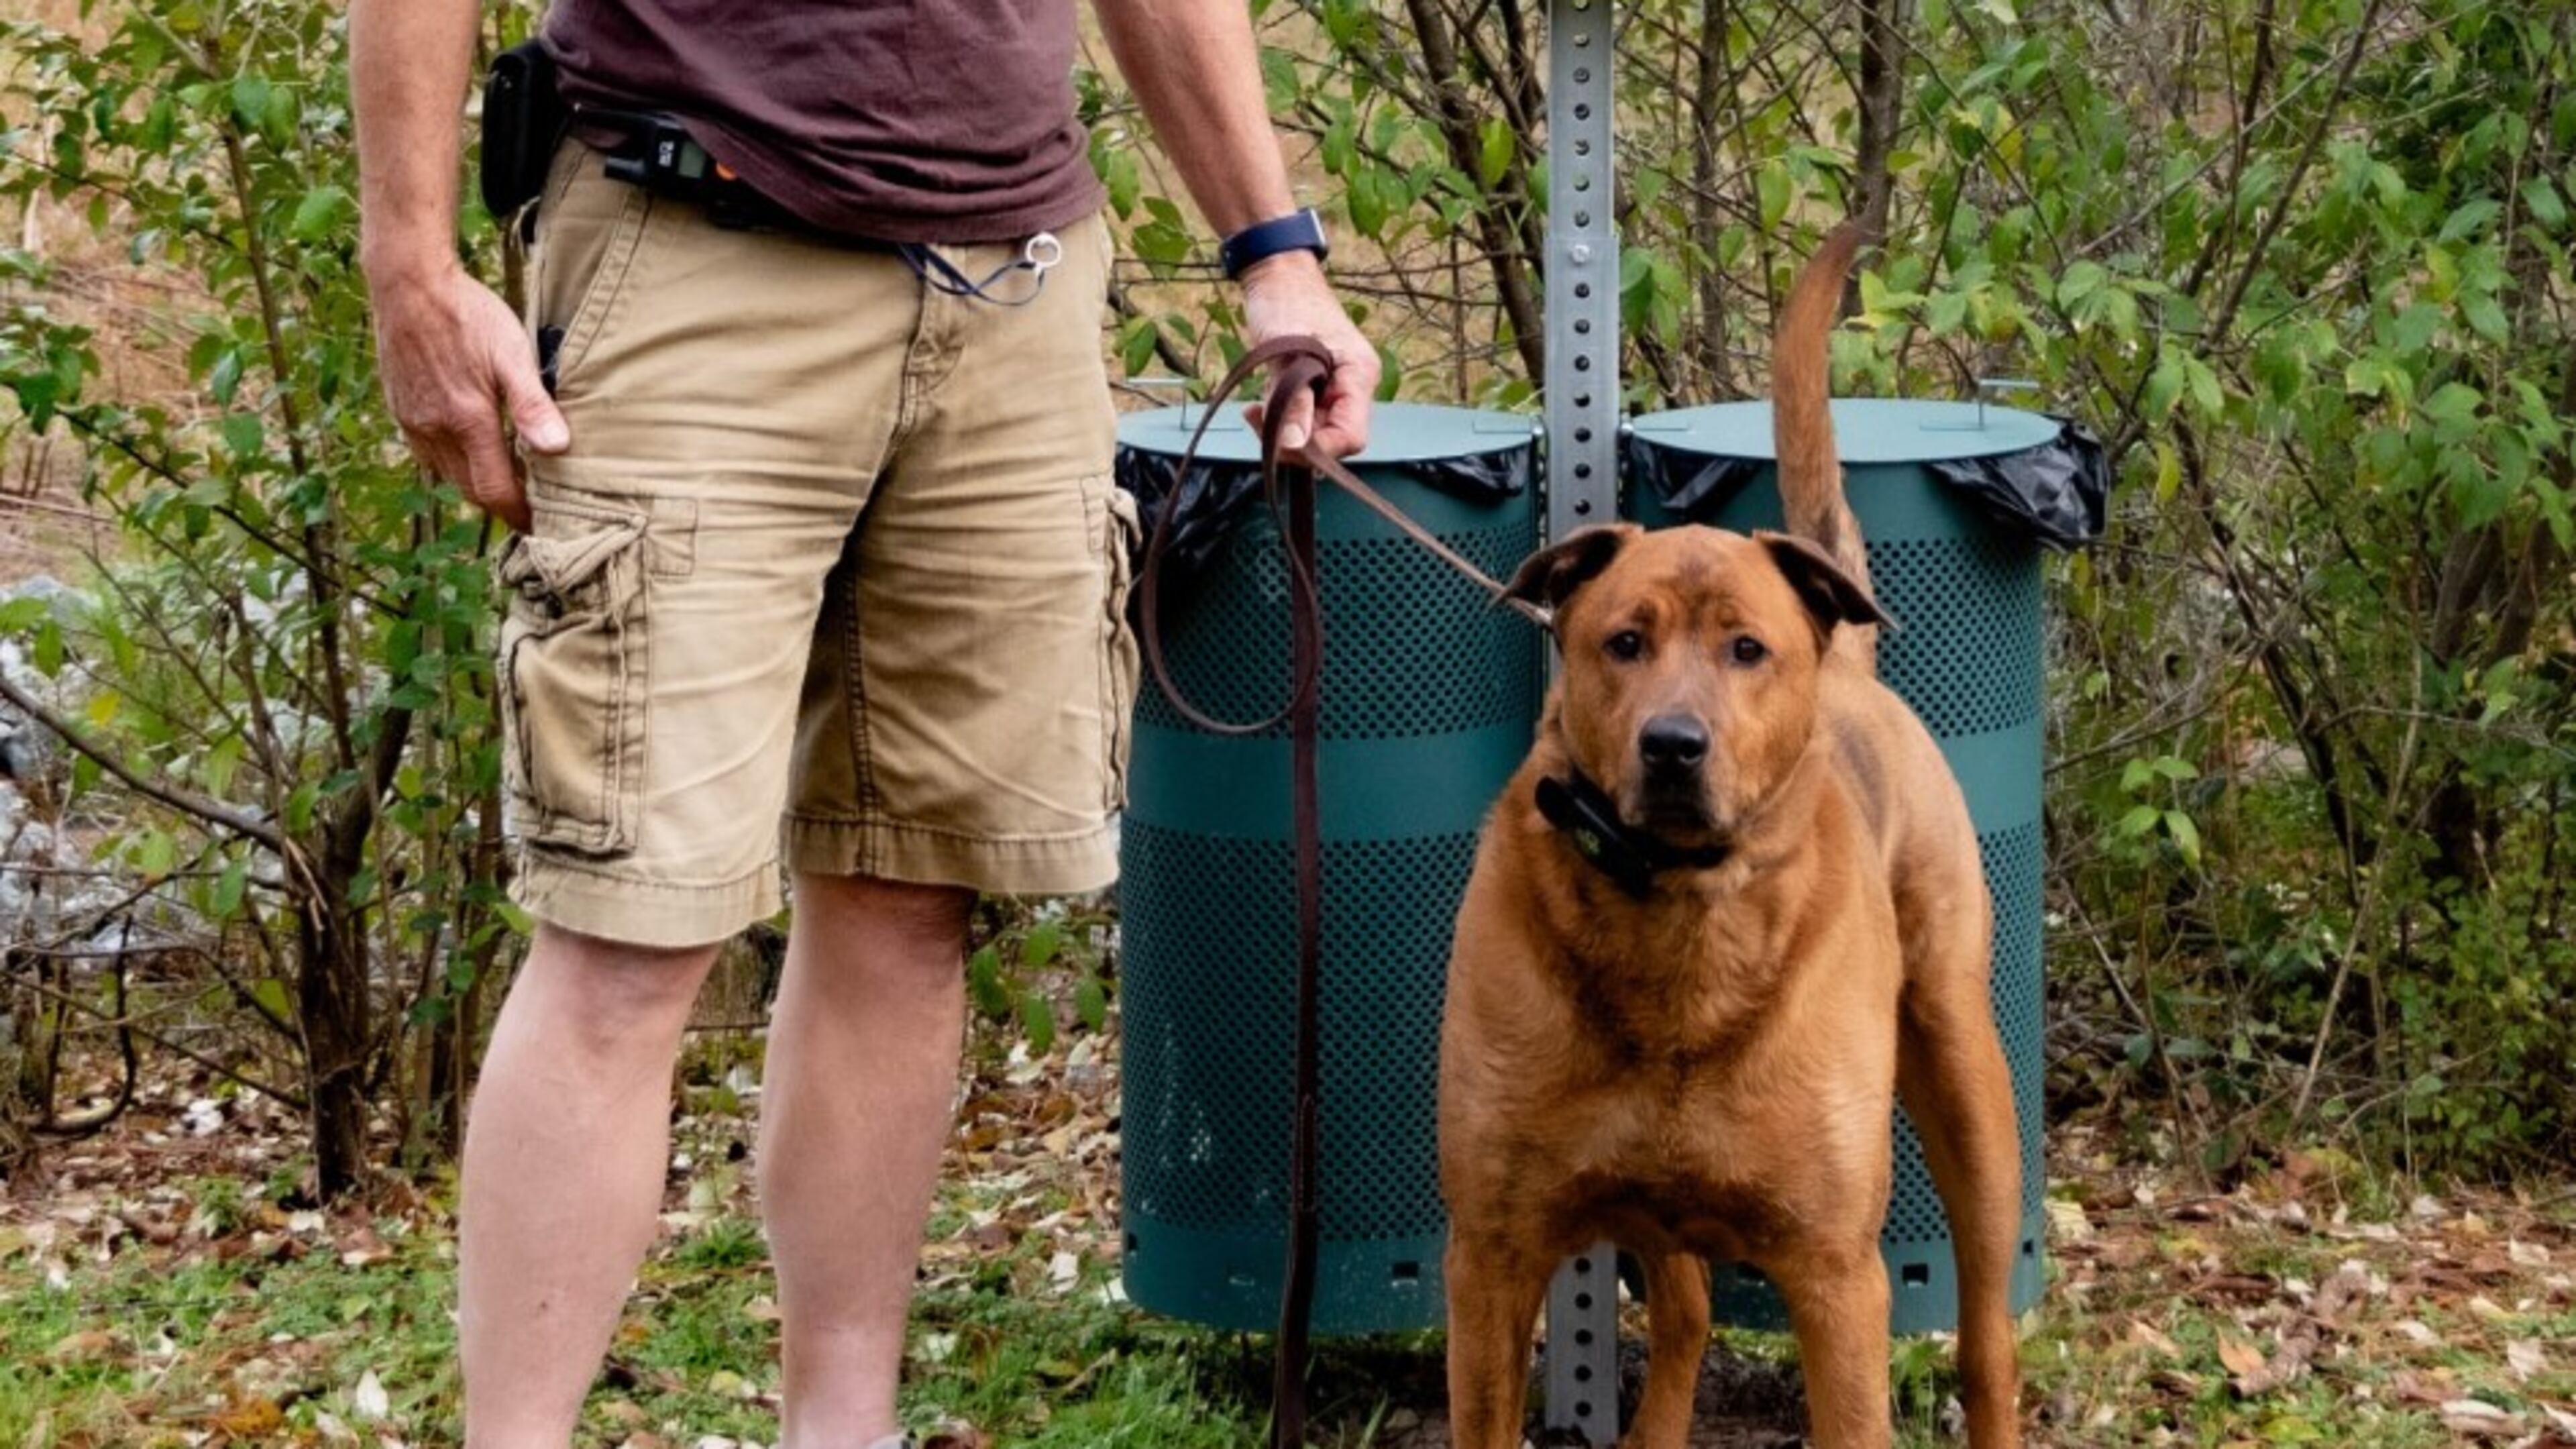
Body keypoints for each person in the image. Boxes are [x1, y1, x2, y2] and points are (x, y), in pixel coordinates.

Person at [349, 3, 1378, 1444]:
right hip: (692, 242)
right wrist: (408, 257)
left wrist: (1277, 254)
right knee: (627, 931)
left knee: (908, 892)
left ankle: (846, 1426)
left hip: (1014, 285)